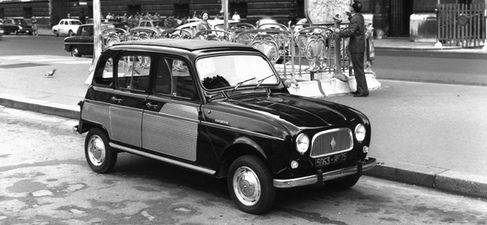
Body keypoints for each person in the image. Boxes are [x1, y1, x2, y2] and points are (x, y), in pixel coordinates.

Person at [336, 0, 369, 97]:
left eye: (350, 6)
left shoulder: (355, 18)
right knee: (359, 69)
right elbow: (356, 25)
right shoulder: (359, 17)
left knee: (358, 70)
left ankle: (362, 91)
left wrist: (339, 31)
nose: (349, 7)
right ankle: (361, 89)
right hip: (359, 46)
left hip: (356, 47)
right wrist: (350, 16)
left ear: (353, 8)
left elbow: (351, 32)